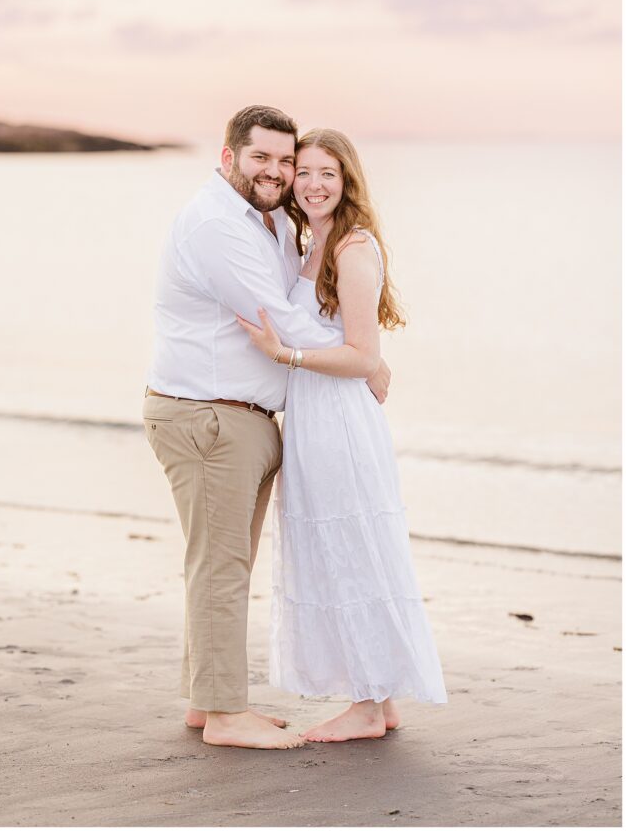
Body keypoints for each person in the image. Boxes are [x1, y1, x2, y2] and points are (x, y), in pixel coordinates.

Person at [143, 105, 390, 750]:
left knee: (223, 563)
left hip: (240, 418)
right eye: (264, 158)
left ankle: (207, 702)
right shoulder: (217, 228)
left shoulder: (270, 223)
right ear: (228, 157)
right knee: (222, 567)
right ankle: (225, 714)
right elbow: (278, 319)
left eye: (288, 160)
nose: (278, 172)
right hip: (209, 415)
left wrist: (358, 359)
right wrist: (365, 362)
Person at [237, 128, 447, 743]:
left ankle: (367, 704)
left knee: (353, 551)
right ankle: (379, 701)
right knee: (338, 553)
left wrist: (287, 354)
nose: (313, 184)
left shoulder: (352, 247)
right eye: (303, 172)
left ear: (347, 179)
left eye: (327, 173)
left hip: (339, 422)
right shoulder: (311, 241)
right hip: (314, 418)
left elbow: (360, 355)